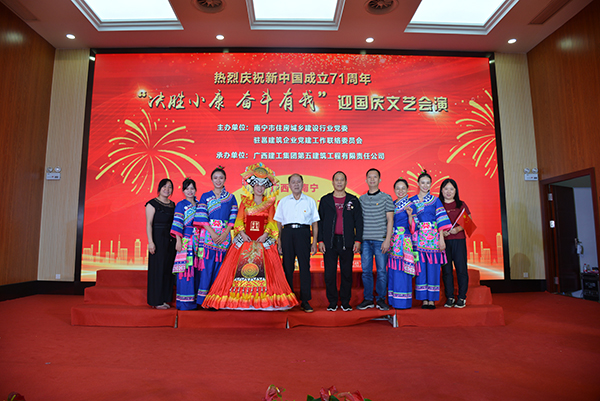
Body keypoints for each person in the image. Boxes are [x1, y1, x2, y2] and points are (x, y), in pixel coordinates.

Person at [202, 163, 299, 310]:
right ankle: (241, 298)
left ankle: (264, 299)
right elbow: (239, 220)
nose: (259, 188)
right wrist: (242, 233)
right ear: (252, 186)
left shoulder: (270, 203)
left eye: (262, 185)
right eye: (257, 185)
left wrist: (265, 235)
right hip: (246, 239)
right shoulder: (245, 202)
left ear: (265, 187)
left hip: (263, 240)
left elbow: (272, 222)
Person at [318, 171, 363, 312]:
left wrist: (358, 240)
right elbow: (320, 222)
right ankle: (332, 302)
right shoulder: (325, 200)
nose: (339, 182)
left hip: (347, 242)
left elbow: (359, 222)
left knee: (347, 273)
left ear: (346, 182)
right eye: (336, 180)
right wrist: (320, 240)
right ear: (332, 182)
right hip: (329, 242)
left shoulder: (353, 200)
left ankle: (345, 302)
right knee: (329, 274)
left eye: (341, 180)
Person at [274, 173, 320, 313]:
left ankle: (305, 301)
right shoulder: (283, 202)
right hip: (287, 233)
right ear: (289, 185)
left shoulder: (310, 201)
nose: (296, 184)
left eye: (298, 182)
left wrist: (314, 242)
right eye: (293, 182)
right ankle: (287, 300)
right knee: (287, 267)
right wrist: (279, 241)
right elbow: (278, 223)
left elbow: (315, 223)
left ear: (302, 184)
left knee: (304, 267)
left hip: (303, 233)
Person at [194, 166, 238, 306]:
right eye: (215, 178)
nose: (218, 180)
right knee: (206, 268)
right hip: (208, 235)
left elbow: (233, 218)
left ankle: (216, 300)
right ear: (211, 180)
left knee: (221, 268)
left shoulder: (231, 198)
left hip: (224, 236)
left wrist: (225, 233)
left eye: (221, 178)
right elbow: (202, 216)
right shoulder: (205, 196)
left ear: (225, 179)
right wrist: (212, 233)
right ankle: (203, 300)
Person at [409, 170, 452, 309]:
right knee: (421, 268)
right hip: (418, 239)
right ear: (418, 183)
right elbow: (409, 221)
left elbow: (441, 221)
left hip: (433, 238)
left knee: (433, 268)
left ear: (431, 184)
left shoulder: (435, 200)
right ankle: (424, 299)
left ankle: (432, 299)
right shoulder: (412, 201)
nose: (425, 185)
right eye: (422, 182)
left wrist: (441, 239)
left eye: (428, 183)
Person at [357, 168, 394, 311]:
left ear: (380, 180)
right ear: (366, 180)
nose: (372, 180)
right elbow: (358, 222)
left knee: (381, 271)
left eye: (375, 177)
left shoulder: (386, 198)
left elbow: (390, 220)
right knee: (366, 271)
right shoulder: (361, 199)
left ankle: (380, 299)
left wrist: (387, 240)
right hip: (365, 241)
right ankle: (367, 299)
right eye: (370, 177)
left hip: (381, 240)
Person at [170, 178, 202, 310]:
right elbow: (177, 224)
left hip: (200, 241)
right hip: (186, 241)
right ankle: (185, 302)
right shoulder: (181, 205)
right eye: (187, 189)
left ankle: (197, 300)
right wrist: (178, 241)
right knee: (186, 270)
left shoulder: (200, 204)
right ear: (183, 191)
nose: (190, 191)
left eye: (192, 188)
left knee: (198, 269)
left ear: (195, 190)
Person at [439, 178, 472, 309]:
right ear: (441, 190)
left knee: (461, 269)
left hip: (458, 240)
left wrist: (457, 229)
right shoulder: (438, 205)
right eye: (446, 189)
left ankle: (462, 297)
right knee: (446, 270)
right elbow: (433, 222)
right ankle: (450, 297)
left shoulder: (461, 204)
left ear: (455, 191)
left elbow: (468, 221)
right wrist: (441, 233)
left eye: (451, 189)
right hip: (444, 243)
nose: (448, 191)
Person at [145, 178, 176, 309]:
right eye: (164, 186)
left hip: (171, 241)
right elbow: (149, 224)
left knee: (167, 270)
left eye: (169, 187)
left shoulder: (173, 205)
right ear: (159, 188)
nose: (167, 189)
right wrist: (150, 242)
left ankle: (165, 299)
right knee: (157, 270)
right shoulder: (152, 204)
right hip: (157, 240)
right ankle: (156, 301)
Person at [387, 178, 418, 309]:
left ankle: (403, 301)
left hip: (404, 241)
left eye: (403, 188)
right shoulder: (392, 204)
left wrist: (410, 216)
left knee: (403, 269)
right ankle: (393, 300)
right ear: (394, 190)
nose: (400, 191)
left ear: (407, 190)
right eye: (398, 188)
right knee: (393, 269)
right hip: (393, 240)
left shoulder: (411, 205)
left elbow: (414, 227)